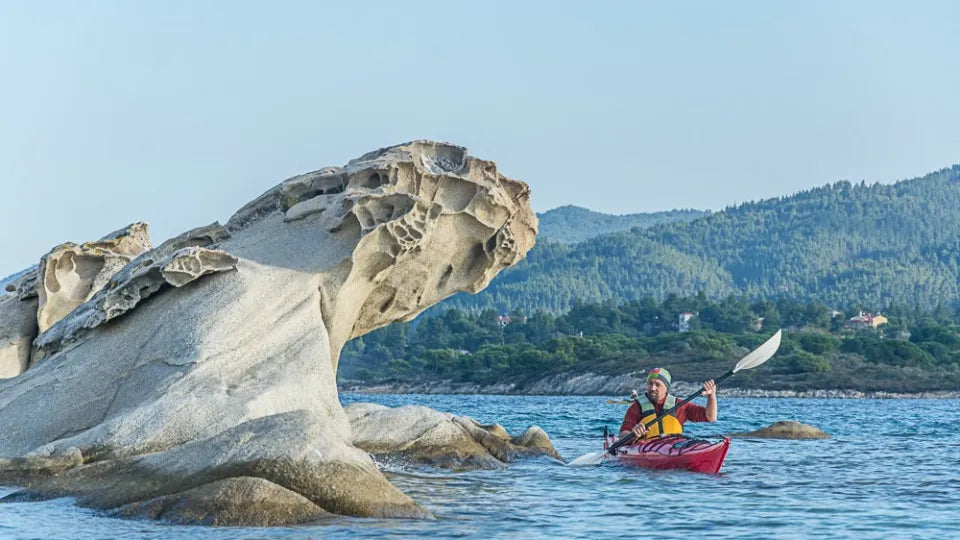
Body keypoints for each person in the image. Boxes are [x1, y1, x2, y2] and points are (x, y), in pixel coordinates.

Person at [619, 367, 716, 440]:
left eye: (657, 384)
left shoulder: (679, 405)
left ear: (666, 388)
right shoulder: (636, 407)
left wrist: (711, 396)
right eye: (650, 383)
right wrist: (633, 434)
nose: (653, 388)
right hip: (645, 449)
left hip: (674, 447)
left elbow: (710, 417)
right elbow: (622, 436)